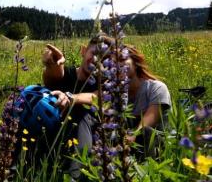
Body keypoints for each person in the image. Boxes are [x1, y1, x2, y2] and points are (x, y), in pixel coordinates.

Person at [43, 34, 171, 180]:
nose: (118, 66)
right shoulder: (114, 89)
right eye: (113, 63)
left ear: (135, 63)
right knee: (89, 117)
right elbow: (56, 79)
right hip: (122, 146)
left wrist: (127, 138)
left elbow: (148, 122)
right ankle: (78, 175)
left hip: (151, 146)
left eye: (122, 60)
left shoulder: (156, 88)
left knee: (147, 131)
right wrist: (52, 66)